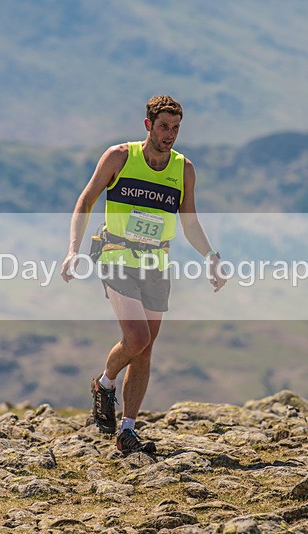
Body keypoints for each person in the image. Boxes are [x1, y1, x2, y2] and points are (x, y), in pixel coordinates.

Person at [61, 95, 227, 454]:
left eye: (176, 128)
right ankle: (105, 383)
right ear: (148, 125)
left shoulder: (183, 169)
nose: (170, 134)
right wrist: (73, 249)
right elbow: (86, 200)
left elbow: (189, 221)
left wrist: (211, 256)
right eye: (164, 126)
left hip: (156, 263)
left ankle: (128, 430)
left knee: (146, 349)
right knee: (136, 338)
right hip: (116, 255)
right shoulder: (119, 157)